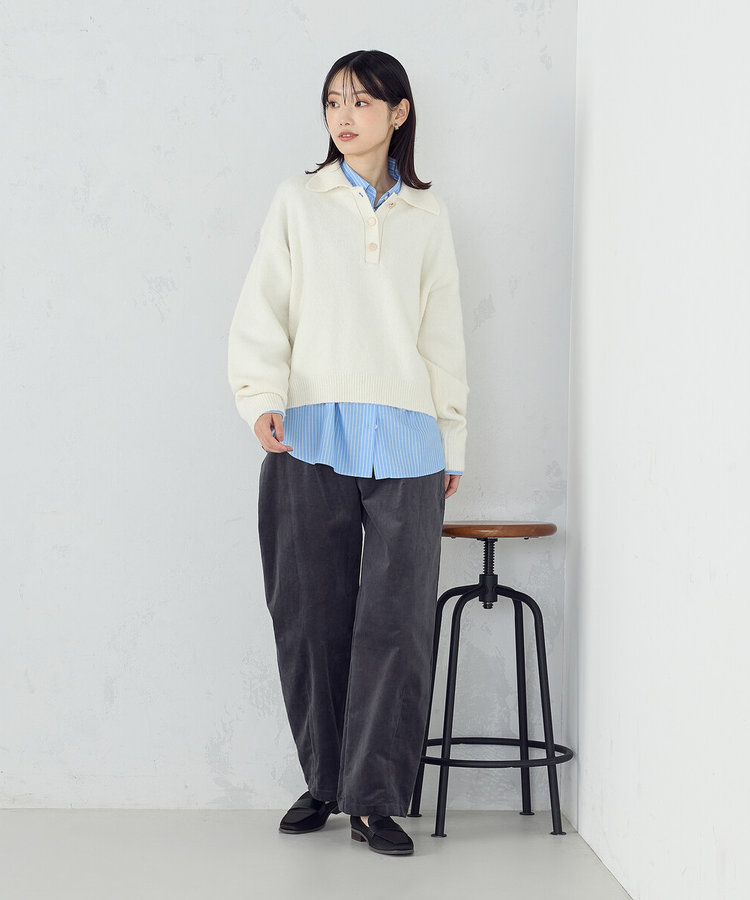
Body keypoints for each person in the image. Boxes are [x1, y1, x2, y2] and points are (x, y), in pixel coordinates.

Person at [227, 49, 469, 856]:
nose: (344, 115)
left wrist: (452, 437)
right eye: (334, 100)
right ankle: (326, 782)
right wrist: (260, 397)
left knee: (397, 623)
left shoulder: (427, 216)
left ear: (399, 113)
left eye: (362, 101)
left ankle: (374, 799)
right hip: (307, 434)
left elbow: (442, 333)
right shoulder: (299, 201)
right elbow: (264, 307)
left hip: (408, 440)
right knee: (309, 615)